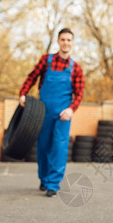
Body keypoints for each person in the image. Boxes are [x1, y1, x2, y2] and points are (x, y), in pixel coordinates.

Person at [19, 28, 84, 197]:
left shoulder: (75, 68)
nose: (66, 42)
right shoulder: (46, 61)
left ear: (72, 43)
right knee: (43, 147)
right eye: (63, 39)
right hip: (43, 112)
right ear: (58, 41)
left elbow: (79, 94)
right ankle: (44, 178)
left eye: (69, 40)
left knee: (59, 148)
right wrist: (23, 94)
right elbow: (31, 77)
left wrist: (71, 109)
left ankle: (53, 184)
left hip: (63, 114)